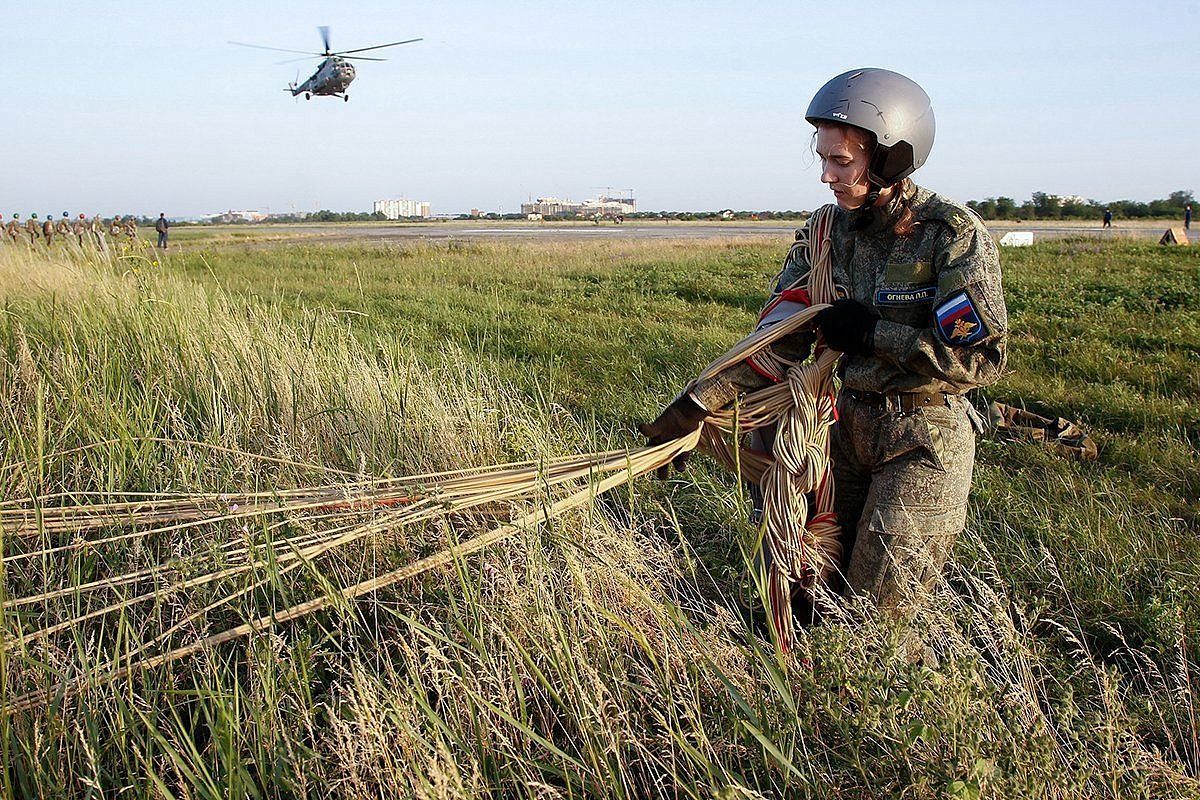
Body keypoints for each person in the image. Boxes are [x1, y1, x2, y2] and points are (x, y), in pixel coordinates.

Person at [641, 68, 1008, 621]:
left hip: (922, 440)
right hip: (843, 433)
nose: (826, 176)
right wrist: (695, 407)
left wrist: (873, 335)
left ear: (889, 158)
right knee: (814, 584)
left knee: (878, 609)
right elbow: (780, 339)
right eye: (823, 158)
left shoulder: (950, 234)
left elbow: (979, 358)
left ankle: (873, 702)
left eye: (841, 161)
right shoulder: (825, 233)